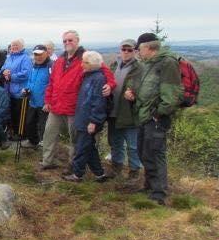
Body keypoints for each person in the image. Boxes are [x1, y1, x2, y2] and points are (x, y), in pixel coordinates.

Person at [41, 30, 116, 170]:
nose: (67, 43)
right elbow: (51, 82)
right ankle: (47, 161)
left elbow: (105, 71)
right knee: (49, 134)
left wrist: (110, 85)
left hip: (74, 107)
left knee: (75, 139)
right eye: (65, 41)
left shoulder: (86, 57)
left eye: (70, 40)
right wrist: (48, 100)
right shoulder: (59, 60)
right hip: (56, 105)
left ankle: (73, 165)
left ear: (77, 41)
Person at [125, 32, 182, 205]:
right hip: (144, 116)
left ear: (149, 47)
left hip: (155, 117)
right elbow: (141, 86)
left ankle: (160, 193)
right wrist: (131, 92)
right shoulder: (147, 64)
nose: (137, 52)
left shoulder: (167, 63)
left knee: (156, 153)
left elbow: (171, 94)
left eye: (139, 49)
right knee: (144, 151)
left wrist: (158, 113)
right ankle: (150, 185)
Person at [63, 52, 108, 182]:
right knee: (89, 147)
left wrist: (94, 121)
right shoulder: (88, 76)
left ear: (93, 64)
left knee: (82, 147)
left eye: (85, 62)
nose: (82, 64)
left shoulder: (98, 79)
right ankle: (99, 174)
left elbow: (98, 101)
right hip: (83, 117)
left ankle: (77, 174)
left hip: (89, 120)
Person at [106, 39, 143, 179]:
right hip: (113, 111)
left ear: (135, 51)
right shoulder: (114, 65)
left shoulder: (140, 68)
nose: (126, 52)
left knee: (133, 145)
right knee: (115, 142)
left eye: (130, 50)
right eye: (123, 49)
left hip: (130, 113)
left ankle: (134, 172)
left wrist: (135, 95)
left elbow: (145, 89)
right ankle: (116, 168)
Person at [21, 45, 52, 149]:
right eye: (35, 54)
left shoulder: (51, 66)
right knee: (30, 123)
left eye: (40, 54)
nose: (38, 57)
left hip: (44, 103)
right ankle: (33, 142)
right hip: (32, 101)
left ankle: (45, 146)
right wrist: (26, 89)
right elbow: (30, 81)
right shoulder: (34, 66)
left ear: (46, 53)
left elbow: (54, 85)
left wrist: (49, 102)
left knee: (44, 126)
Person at [0, 38, 32, 139]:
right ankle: (13, 133)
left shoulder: (25, 58)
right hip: (8, 91)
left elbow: (26, 73)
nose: (14, 47)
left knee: (20, 115)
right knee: (12, 114)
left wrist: (11, 77)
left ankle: (22, 135)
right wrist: (3, 72)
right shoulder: (9, 57)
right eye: (13, 45)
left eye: (16, 45)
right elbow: (2, 69)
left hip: (19, 91)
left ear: (22, 47)